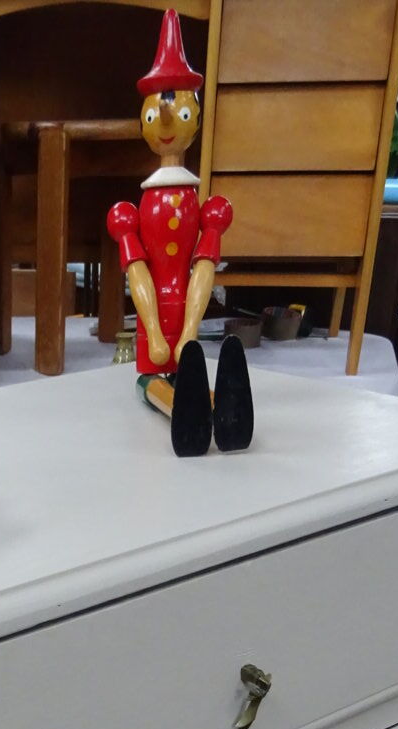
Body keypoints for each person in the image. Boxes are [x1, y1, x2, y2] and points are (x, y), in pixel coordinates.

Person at [107, 9, 252, 454]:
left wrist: (189, 327)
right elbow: (138, 272)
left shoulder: (200, 208)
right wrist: (152, 330)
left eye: (181, 109)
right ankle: (185, 410)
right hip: (156, 318)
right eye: (157, 113)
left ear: (195, 117)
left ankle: (222, 407)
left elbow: (203, 267)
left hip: (186, 310)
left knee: (178, 376)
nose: (168, 122)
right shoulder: (136, 211)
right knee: (151, 382)